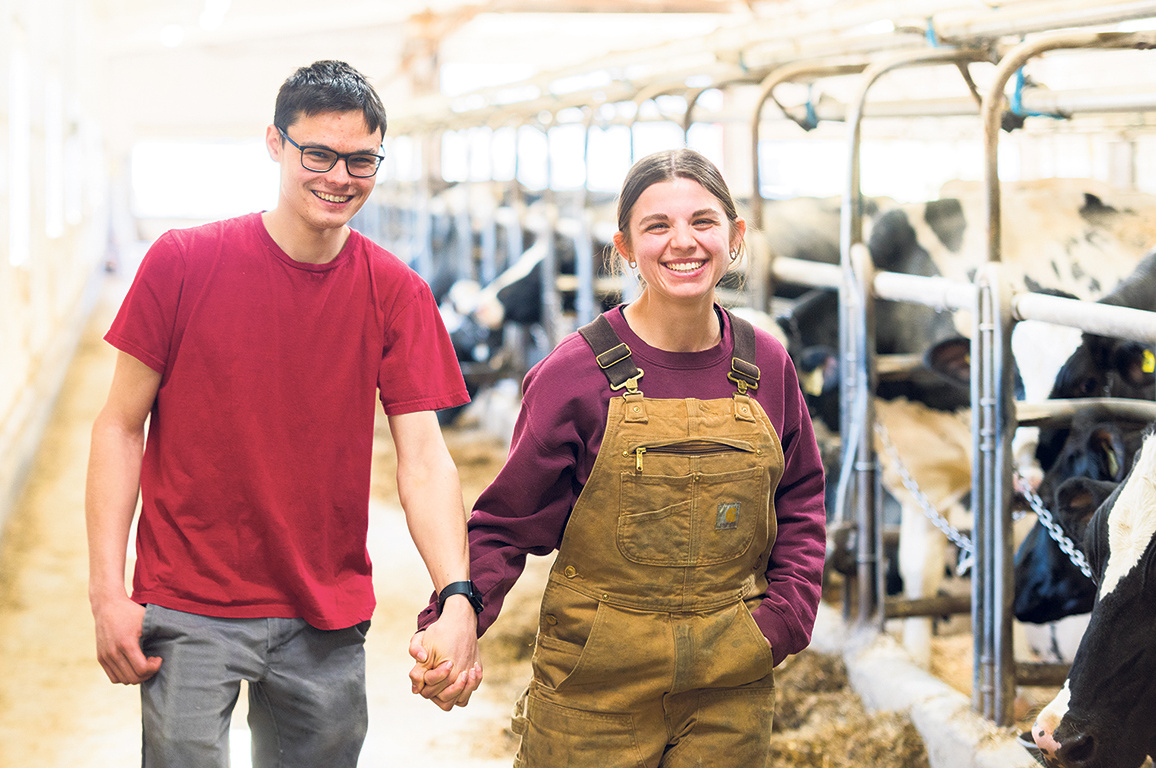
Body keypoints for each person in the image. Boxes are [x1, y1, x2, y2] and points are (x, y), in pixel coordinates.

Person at [86, 60, 482, 768]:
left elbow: (424, 458)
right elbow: (118, 425)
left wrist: (456, 594)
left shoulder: (396, 293)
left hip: (324, 609)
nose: (339, 177)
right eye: (319, 154)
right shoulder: (182, 263)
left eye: (361, 160)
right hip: (189, 600)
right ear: (275, 143)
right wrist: (106, 590)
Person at [411, 148, 826, 766]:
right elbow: (507, 523)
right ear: (625, 248)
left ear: (736, 237)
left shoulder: (765, 364)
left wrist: (783, 621)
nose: (682, 242)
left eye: (703, 222)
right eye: (657, 226)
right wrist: (457, 612)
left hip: (730, 688)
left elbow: (801, 500)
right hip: (594, 692)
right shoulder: (573, 375)